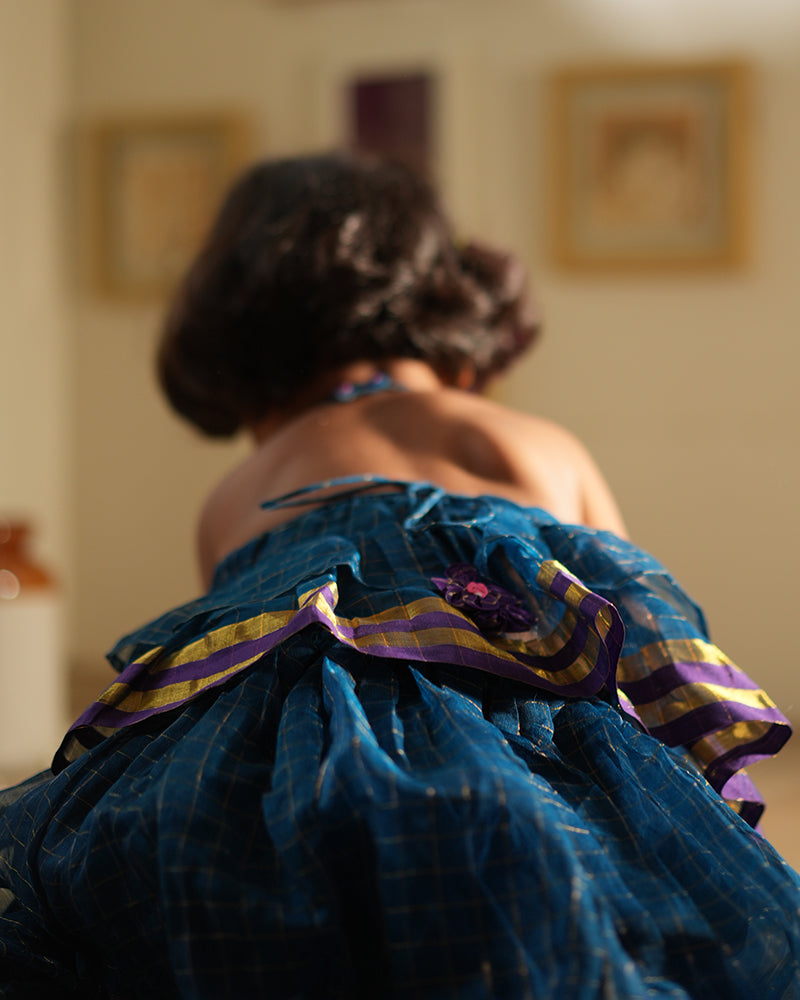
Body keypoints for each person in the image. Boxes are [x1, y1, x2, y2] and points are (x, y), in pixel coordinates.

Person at [1, 153, 798, 999]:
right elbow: (635, 646)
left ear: (237, 342)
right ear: (450, 309)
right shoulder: (525, 443)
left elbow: (235, 685)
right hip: (521, 792)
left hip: (269, 815)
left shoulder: (242, 489)